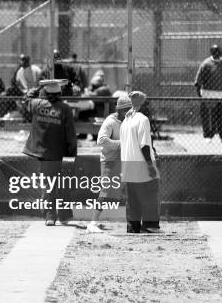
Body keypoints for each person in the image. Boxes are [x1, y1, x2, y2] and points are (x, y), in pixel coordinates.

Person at [23, 79, 77, 226]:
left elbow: (27, 99)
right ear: (59, 93)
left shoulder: (37, 104)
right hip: (58, 153)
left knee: (48, 184)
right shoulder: (65, 109)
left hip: (39, 152)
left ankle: (50, 215)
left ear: (45, 93)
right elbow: (71, 133)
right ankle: (60, 215)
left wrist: (37, 87)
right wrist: (72, 153)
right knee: (60, 184)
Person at [86, 93, 132, 233]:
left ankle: (134, 222)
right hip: (110, 161)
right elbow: (101, 140)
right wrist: (121, 144)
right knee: (105, 192)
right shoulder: (110, 121)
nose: (130, 112)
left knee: (131, 190)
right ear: (120, 109)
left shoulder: (130, 120)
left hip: (126, 160)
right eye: (127, 110)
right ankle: (93, 223)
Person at [119, 91, 161, 234]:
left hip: (128, 165)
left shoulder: (125, 121)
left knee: (132, 198)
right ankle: (150, 224)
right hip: (141, 164)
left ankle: (133, 226)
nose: (149, 107)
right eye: (147, 104)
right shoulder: (142, 119)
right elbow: (144, 146)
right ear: (140, 105)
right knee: (150, 194)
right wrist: (150, 165)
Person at [194, 44, 222, 142]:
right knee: (208, 115)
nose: (217, 54)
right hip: (208, 93)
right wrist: (199, 94)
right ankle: (208, 136)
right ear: (211, 53)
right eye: (215, 52)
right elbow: (198, 81)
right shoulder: (206, 64)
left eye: (218, 52)